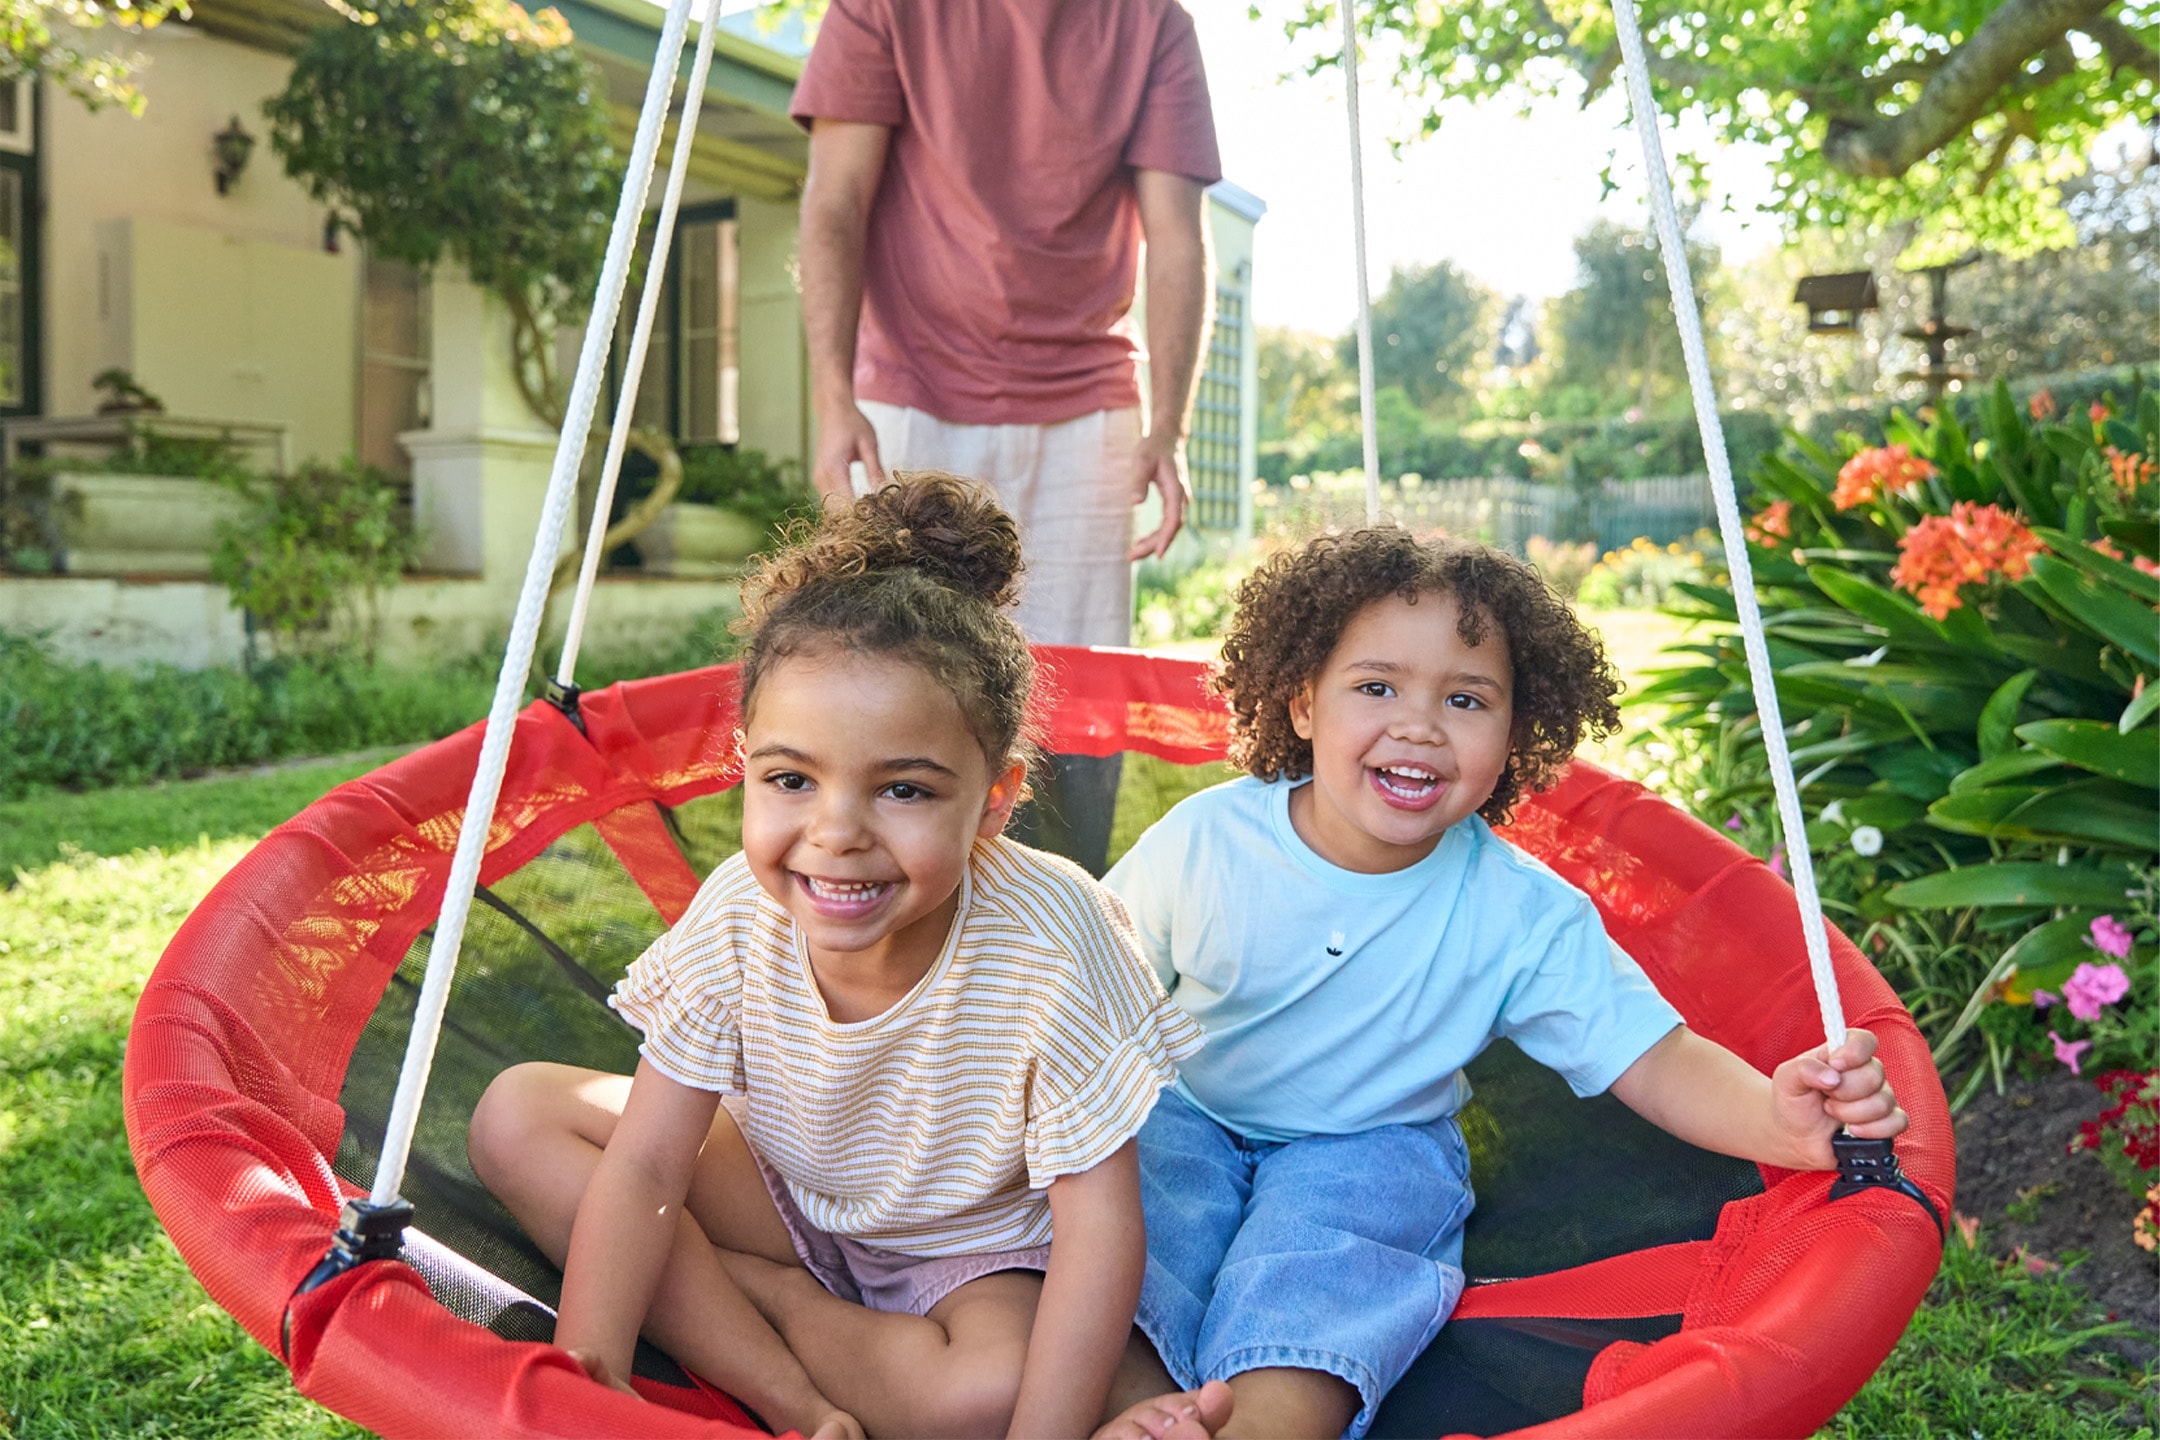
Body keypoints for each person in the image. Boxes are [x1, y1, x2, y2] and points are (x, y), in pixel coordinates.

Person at [1097, 528, 1910, 1440]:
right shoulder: (1206, 842)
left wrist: (1775, 1121)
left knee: (1327, 1268)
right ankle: (1132, 1414)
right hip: (1191, 1109)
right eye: (1376, 687)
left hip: (1373, 1144)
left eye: (1465, 700)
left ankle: (1264, 1425)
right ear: (1302, 703)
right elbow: (1090, 991)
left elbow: (1655, 1056)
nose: (1418, 726)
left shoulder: (1519, 910)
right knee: (1135, 1220)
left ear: (1515, 735)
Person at [467, 476, 1214, 1439]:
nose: (836, 834)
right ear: (744, 762)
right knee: (517, 1117)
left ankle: (765, 1305)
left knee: (985, 1395)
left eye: (903, 791)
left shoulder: (1057, 939)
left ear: (995, 798)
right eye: (791, 779)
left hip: (969, 1255)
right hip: (780, 1195)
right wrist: (591, 1379)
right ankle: (798, 1399)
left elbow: (1099, 1235)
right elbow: (650, 1163)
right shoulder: (740, 912)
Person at [790, 0, 1222, 874]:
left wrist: (1167, 425)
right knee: (890, 670)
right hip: (911, 391)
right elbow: (835, 199)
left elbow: (1178, 237)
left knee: (1075, 706)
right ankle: (880, 908)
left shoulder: (1152, 22)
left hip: (1086, 405)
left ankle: (1052, 924)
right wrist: (835, 397)